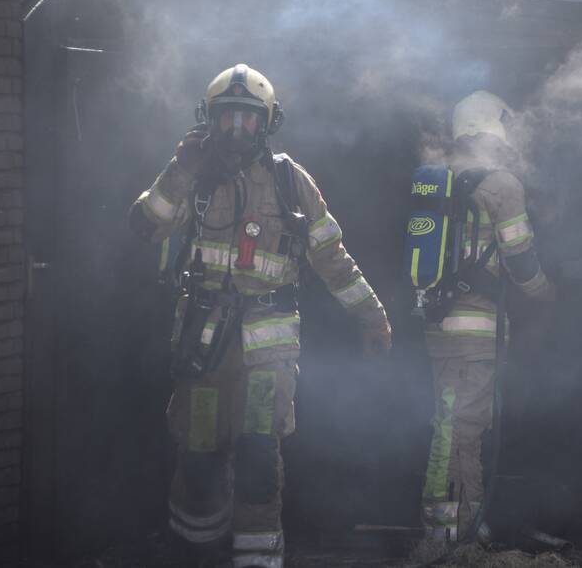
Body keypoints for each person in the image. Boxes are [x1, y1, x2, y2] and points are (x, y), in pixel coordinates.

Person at [129, 64, 391, 568]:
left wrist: (372, 317)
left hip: (266, 358)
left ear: (267, 122)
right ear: (209, 121)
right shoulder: (192, 176)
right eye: (227, 118)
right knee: (198, 460)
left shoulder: (291, 182)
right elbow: (145, 227)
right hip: (203, 352)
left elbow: (333, 259)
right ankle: (195, 557)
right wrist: (180, 169)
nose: (236, 130)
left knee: (257, 464)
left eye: (248, 119)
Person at [420, 90, 555, 544]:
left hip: (437, 325)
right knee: (465, 427)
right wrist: (546, 295)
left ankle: (452, 526)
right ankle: (456, 533)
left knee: (450, 420)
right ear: (494, 130)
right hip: (475, 331)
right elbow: (520, 259)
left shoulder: (439, 179)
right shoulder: (502, 184)